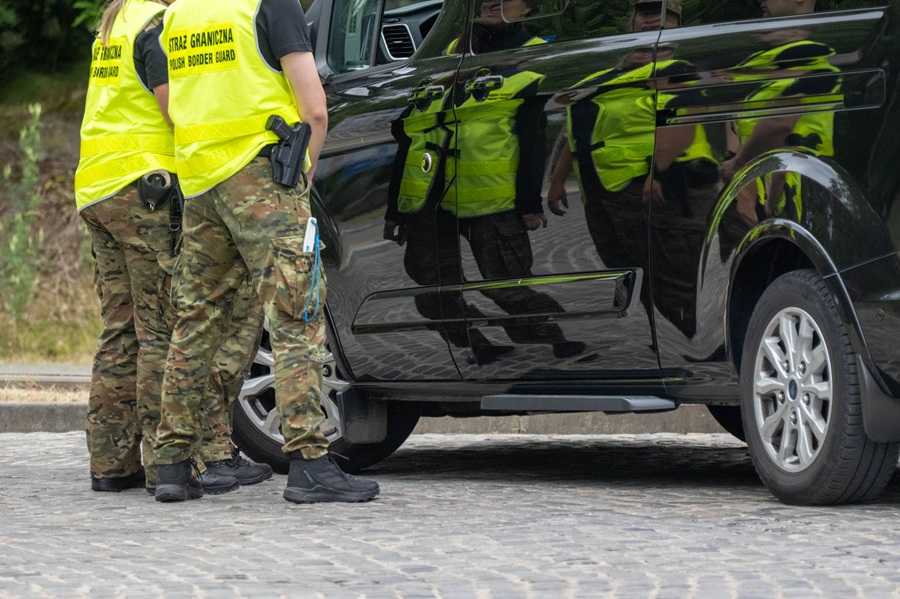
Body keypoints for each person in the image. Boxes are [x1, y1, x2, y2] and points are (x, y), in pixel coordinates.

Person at [154, 0, 379, 503]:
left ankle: (171, 463)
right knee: (296, 314)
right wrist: (303, 174)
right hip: (264, 177)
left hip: (201, 183)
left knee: (196, 320)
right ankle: (310, 462)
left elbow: (175, 107)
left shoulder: (179, 14)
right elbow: (314, 109)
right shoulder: (268, 4)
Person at [76, 0, 269, 495]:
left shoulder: (115, 21)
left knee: (121, 330)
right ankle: (169, 461)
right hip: (145, 191)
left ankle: (111, 463)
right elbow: (174, 109)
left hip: (98, 188)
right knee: (161, 328)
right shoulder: (155, 26)